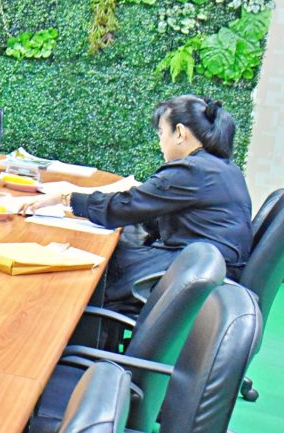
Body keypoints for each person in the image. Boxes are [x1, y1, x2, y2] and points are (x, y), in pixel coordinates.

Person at [22, 95, 252, 314]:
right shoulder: (221, 168)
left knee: (89, 271)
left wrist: (66, 197)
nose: (160, 142)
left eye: (161, 133)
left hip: (190, 271)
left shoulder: (192, 170)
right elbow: (146, 210)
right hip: (210, 271)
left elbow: (124, 206)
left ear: (180, 133)